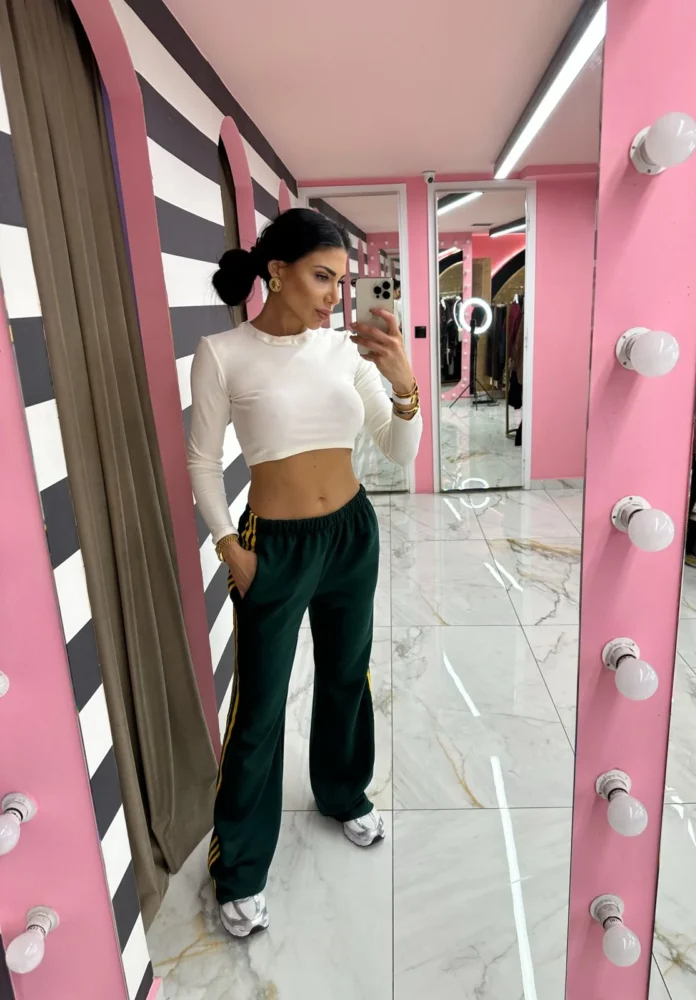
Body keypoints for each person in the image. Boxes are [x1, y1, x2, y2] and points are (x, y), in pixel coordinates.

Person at [187, 208, 422, 938]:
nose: (333, 296)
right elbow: (201, 460)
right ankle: (239, 866)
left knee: (348, 674)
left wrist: (405, 385)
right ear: (278, 271)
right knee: (258, 706)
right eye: (323, 277)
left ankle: (343, 794)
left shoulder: (344, 351)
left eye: (341, 282)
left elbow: (399, 451)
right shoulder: (223, 353)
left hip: (350, 533)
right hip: (274, 547)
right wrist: (229, 546)